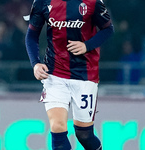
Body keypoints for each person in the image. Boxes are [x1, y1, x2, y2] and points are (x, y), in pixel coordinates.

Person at [25, 0, 114, 149]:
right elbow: (32, 35)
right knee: (57, 127)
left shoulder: (93, 2)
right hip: (54, 73)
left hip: (85, 74)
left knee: (84, 135)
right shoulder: (42, 2)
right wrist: (35, 64)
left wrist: (87, 45)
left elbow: (108, 29)